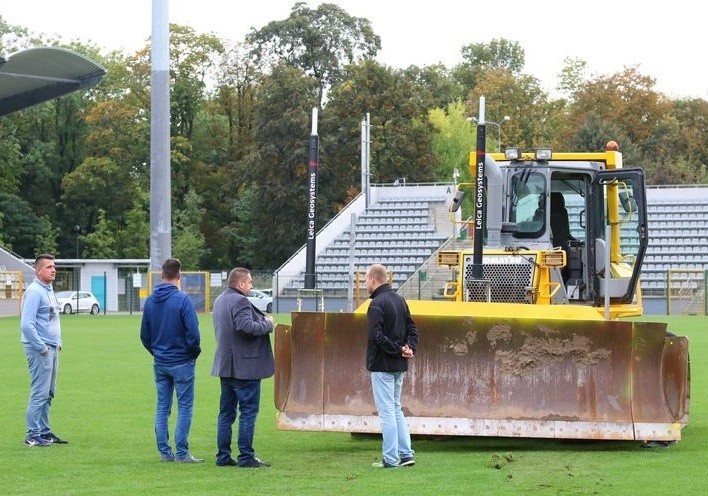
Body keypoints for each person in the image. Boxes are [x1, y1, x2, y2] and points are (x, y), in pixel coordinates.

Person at [140, 258, 203, 463]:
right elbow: (193, 334)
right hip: (182, 361)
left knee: (162, 407)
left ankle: (165, 452)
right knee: (184, 407)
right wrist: (192, 353)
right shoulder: (183, 300)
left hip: (161, 362)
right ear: (179, 276)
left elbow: (144, 336)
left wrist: (157, 352)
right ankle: (182, 453)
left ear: (161, 275)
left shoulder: (150, 301)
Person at [211, 267, 275, 468]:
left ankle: (223, 456)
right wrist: (268, 324)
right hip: (245, 367)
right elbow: (245, 326)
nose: (251, 286)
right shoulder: (240, 301)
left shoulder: (220, 300)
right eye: (249, 282)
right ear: (240, 283)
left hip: (226, 366)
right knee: (248, 411)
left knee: (226, 413)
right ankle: (246, 456)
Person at [365, 263, 419, 468]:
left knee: (387, 411)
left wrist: (397, 349)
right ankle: (406, 454)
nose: (365, 284)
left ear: (373, 279)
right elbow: (413, 329)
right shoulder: (400, 300)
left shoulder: (377, 304)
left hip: (382, 364)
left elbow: (376, 336)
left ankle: (390, 458)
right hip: (399, 364)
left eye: (366, 280)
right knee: (396, 408)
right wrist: (409, 347)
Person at [20, 254, 68, 447]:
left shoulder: (48, 290)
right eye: (49, 267)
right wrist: (42, 348)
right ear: (38, 270)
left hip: (52, 347)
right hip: (41, 349)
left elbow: (50, 319)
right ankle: (32, 434)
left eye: (54, 266)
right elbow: (26, 325)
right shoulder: (34, 292)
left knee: (49, 392)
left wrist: (58, 341)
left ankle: (44, 431)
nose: (53, 269)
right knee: (39, 392)